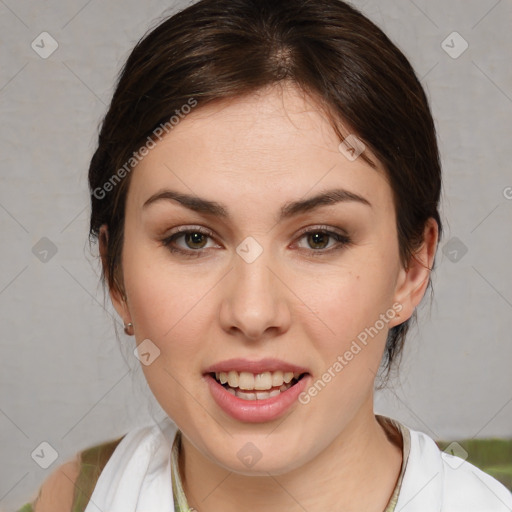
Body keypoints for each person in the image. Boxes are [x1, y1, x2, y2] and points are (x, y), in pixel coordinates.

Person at [18, 0, 512, 511]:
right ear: (114, 273)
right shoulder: (70, 495)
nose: (253, 314)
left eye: (320, 238)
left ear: (411, 269)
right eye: (192, 239)